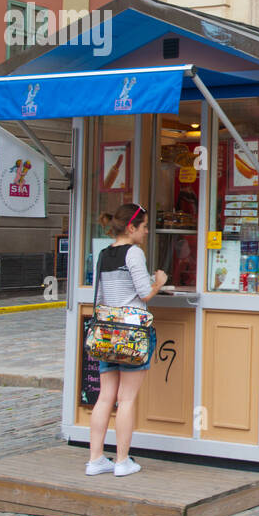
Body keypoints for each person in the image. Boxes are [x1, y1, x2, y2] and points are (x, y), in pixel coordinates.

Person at [86, 203, 167, 477]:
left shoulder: (103, 254)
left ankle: (95, 458)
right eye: (144, 227)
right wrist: (159, 280)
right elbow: (144, 293)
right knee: (127, 399)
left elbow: (98, 299)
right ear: (131, 227)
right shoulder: (134, 253)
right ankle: (122, 460)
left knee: (105, 397)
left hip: (107, 333)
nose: (146, 232)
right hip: (132, 334)